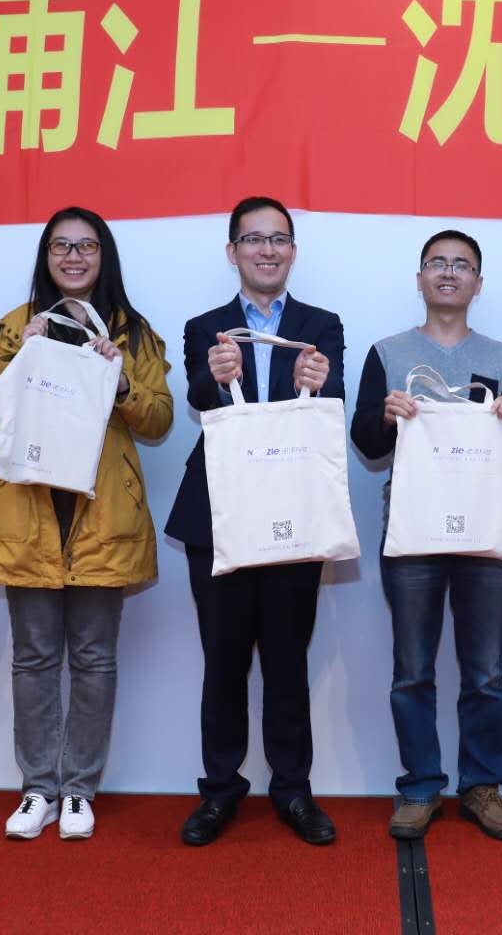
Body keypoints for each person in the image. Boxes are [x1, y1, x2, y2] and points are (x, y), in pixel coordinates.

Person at [0, 207, 173, 842]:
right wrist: (19, 359)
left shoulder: (132, 331)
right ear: (46, 256)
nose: (74, 257)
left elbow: (160, 419)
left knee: (93, 658)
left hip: (101, 513)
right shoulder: (14, 325)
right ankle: (38, 788)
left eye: (86, 246)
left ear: (103, 256)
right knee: (33, 658)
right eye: (61, 246)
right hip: (28, 513)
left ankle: (79, 789)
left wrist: (119, 381)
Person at [164, 196, 346, 847]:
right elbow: (199, 398)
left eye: (278, 239)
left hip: (294, 511)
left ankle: (293, 790)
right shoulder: (204, 326)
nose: (266, 250)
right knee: (223, 661)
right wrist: (216, 380)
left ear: (292, 251)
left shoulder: (321, 324)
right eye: (253, 239)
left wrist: (322, 379)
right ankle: (219, 790)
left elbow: (330, 407)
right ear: (233, 251)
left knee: (288, 662)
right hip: (219, 513)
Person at [350, 229, 502, 842]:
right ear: (420, 278)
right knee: (412, 670)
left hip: (486, 532)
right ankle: (421, 786)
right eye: (437, 263)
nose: (449, 273)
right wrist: (385, 415)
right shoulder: (387, 352)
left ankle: (482, 786)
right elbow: (367, 443)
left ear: (479, 282)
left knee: (485, 672)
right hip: (412, 532)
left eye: (462, 265)